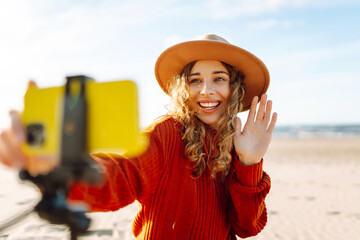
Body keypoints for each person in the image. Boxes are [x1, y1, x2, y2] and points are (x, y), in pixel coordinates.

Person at [0, 34, 277, 239]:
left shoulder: (239, 144)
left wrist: (250, 161)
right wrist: (61, 166)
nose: (206, 90)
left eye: (219, 78)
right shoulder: (168, 132)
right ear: (184, 87)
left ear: (234, 88)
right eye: (195, 80)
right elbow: (121, 174)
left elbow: (247, 226)